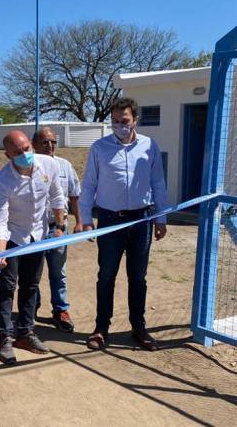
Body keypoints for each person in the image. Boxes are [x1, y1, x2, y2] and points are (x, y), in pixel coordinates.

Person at [80, 97, 167, 352]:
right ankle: (101, 328)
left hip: (142, 220)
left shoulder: (149, 146)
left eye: (124, 121)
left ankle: (138, 328)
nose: (119, 125)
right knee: (106, 276)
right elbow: (89, 185)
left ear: (135, 120)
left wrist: (160, 218)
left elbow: (158, 184)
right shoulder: (99, 148)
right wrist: (86, 220)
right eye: (115, 121)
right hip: (109, 221)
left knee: (138, 278)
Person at [0, 130, 66, 364]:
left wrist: (60, 225)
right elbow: (0, 220)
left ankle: (26, 332)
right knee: (7, 285)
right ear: (8, 155)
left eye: (27, 149)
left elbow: (57, 196)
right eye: (18, 152)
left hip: (39, 234)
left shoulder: (48, 166)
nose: (25, 154)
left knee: (31, 285)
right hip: (13, 237)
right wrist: (1, 251)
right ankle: (4, 336)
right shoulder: (3, 181)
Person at [32, 127, 82, 332]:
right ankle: (29, 310)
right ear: (34, 144)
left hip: (57, 229)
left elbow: (74, 195)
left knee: (58, 272)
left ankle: (60, 310)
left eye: (53, 142)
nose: (50, 146)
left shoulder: (65, 166)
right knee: (31, 273)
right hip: (33, 230)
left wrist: (79, 221)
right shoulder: (27, 165)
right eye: (45, 142)